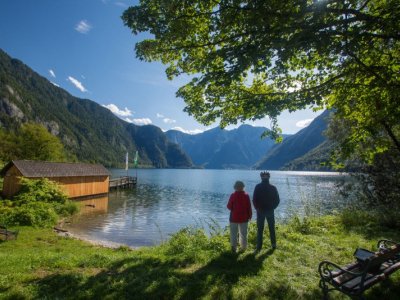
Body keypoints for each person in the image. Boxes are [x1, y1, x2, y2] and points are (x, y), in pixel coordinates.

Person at [253, 171, 280, 252]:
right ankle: (273, 245)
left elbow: (254, 199)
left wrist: (257, 208)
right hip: (270, 210)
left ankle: (258, 247)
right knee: (272, 228)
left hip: (260, 211)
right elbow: (277, 200)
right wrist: (273, 207)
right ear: (269, 177)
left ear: (261, 177)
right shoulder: (273, 187)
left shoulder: (257, 187)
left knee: (260, 230)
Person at [227, 180, 252, 252]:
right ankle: (243, 248)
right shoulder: (246, 195)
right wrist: (250, 216)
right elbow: (249, 207)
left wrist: (233, 208)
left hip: (233, 218)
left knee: (233, 234)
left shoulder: (233, 195)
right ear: (243, 187)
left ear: (235, 187)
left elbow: (228, 206)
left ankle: (233, 248)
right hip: (244, 218)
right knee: (243, 234)